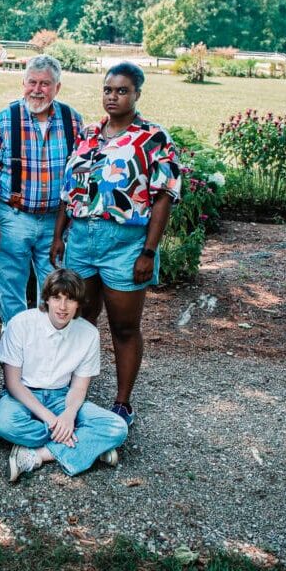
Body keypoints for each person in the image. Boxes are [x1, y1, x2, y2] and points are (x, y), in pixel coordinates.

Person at [51, 62, 181, 428]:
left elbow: (163, 197)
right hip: (81, 238)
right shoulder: (89, 134)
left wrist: (149, 251)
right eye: (108, 89)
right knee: (78, 321)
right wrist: (59, 235)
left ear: (137, 93)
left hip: (125, 243)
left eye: (122, 90)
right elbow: (69, 188)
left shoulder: (153, 137)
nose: (113, 96)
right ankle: (70, 392)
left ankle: (122, 402)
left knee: (124, 327)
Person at [0, 55, 85, 325]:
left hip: (54, 222)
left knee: (55, 289)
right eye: (32, 82)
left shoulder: (73, 120)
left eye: (45, 83)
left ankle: (47, 347)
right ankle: (15, 345)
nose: (37, 89)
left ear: (57, 88)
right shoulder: (2, 121)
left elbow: (80, 176)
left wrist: (69, 222)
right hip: (12, 217)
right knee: (10, 286)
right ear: (23, 83)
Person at [0, 269, 128, 482]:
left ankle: (37, 455)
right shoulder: (21, 323)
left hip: (61, 397)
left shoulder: (88, 334)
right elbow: (12, 383)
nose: (63, 307)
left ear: (78, 304)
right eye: (57, 298)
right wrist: (54, 421)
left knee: (117, 427)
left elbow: (79, 387)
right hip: (23, 395)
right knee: (4, 423)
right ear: (46, 298)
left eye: (70, 299)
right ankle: (89, 446)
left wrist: (68, 415)